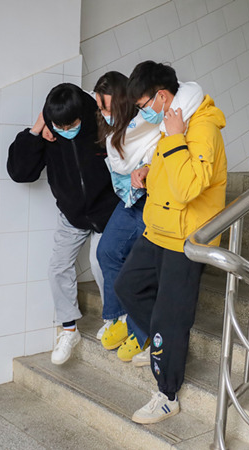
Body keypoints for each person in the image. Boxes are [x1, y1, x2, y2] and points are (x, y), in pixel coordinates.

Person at [114, 61, 227, 424]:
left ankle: (167, 395)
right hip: (160, 229)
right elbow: (173, 175)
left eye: (144, 104)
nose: (143, 112)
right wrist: (148, 172)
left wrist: (176, 138)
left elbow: (189, 187)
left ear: (162, 95)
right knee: (128, 286)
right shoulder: (172, 122)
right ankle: (166, 343)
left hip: (187, 237)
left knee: (170, 316)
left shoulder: (200, 126)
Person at [7, 83, 118, 365]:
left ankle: (114, 319)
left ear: (83, 114)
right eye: (60, 126)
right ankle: (69, 330)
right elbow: (21, 173)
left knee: (99, 261)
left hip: (107, 211)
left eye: (72, 125)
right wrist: (37, 129)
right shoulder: (50, 130)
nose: (66, 130)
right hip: (72, 216)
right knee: (57, 268)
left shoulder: (100, 121)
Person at [92, 71, 160, 361]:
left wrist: (147, 168)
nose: (103, 113)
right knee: (106, 251)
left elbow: (159, 152)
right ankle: (120, 317)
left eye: (106, 107)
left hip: (151, 198)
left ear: (122, 103)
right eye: (100, 108)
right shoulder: (114, 132)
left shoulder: (149, 124)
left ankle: (141, 331)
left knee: (138, 266)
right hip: (131, 198)